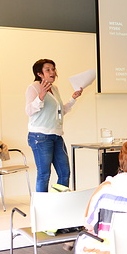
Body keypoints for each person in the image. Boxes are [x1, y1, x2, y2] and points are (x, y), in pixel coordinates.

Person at [25, 58, 83, 192]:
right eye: (48, 70)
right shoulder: (33, 87)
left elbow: (59, 111)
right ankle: (42, 207)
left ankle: (58, 202)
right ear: (39, 73)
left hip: (56, 135)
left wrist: (73, 99)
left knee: (65, 173)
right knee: (44, 174)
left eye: (53, 69)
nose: (52, 72)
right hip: (40, 136)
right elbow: (29, 111)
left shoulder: (54, 88)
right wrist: (41, 96)